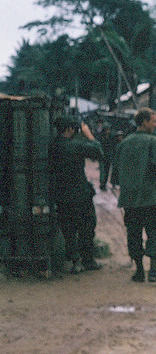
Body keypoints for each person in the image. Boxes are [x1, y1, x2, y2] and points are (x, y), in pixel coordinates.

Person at [111, 107, 156, 285]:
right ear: (144, 122)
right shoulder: (152, 141)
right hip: (150, 197)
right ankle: (154, 269)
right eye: (153, 121)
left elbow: (114, 174)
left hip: (129, 199)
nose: (155, 124)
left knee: (134, 233)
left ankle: (139, 271)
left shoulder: (123, 143)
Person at [49, 115, 104, 273]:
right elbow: (98, 153)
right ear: (70, 129)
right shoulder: (75, 146)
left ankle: (75, 261)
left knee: (69, 229)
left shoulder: (53, 146)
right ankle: (88, 260)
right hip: (80, 195)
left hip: (61, 195)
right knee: (87, 227)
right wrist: (89, 135)